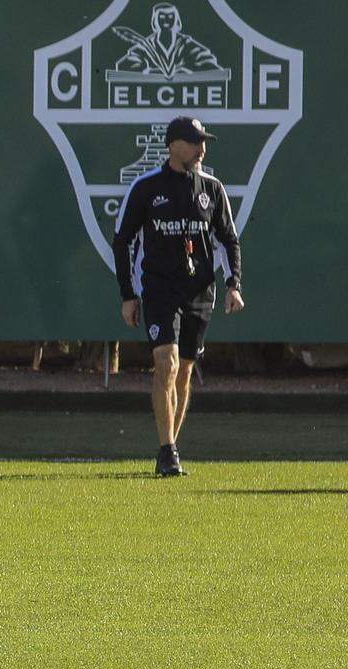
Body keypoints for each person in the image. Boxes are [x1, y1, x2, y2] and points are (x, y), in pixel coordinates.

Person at [112, 115, 244, 476]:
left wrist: (234, 285)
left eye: (203, 142)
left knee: (184, 370)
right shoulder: (145, 187)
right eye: (194, 142)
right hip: (159, 289)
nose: (201, 149)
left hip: (200, 291)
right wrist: (128, 294)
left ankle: (171, 448)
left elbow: (228, 239)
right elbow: (123, 240)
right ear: (173, 146)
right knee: (166, 363)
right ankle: (166, 450)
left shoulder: (212, 188)